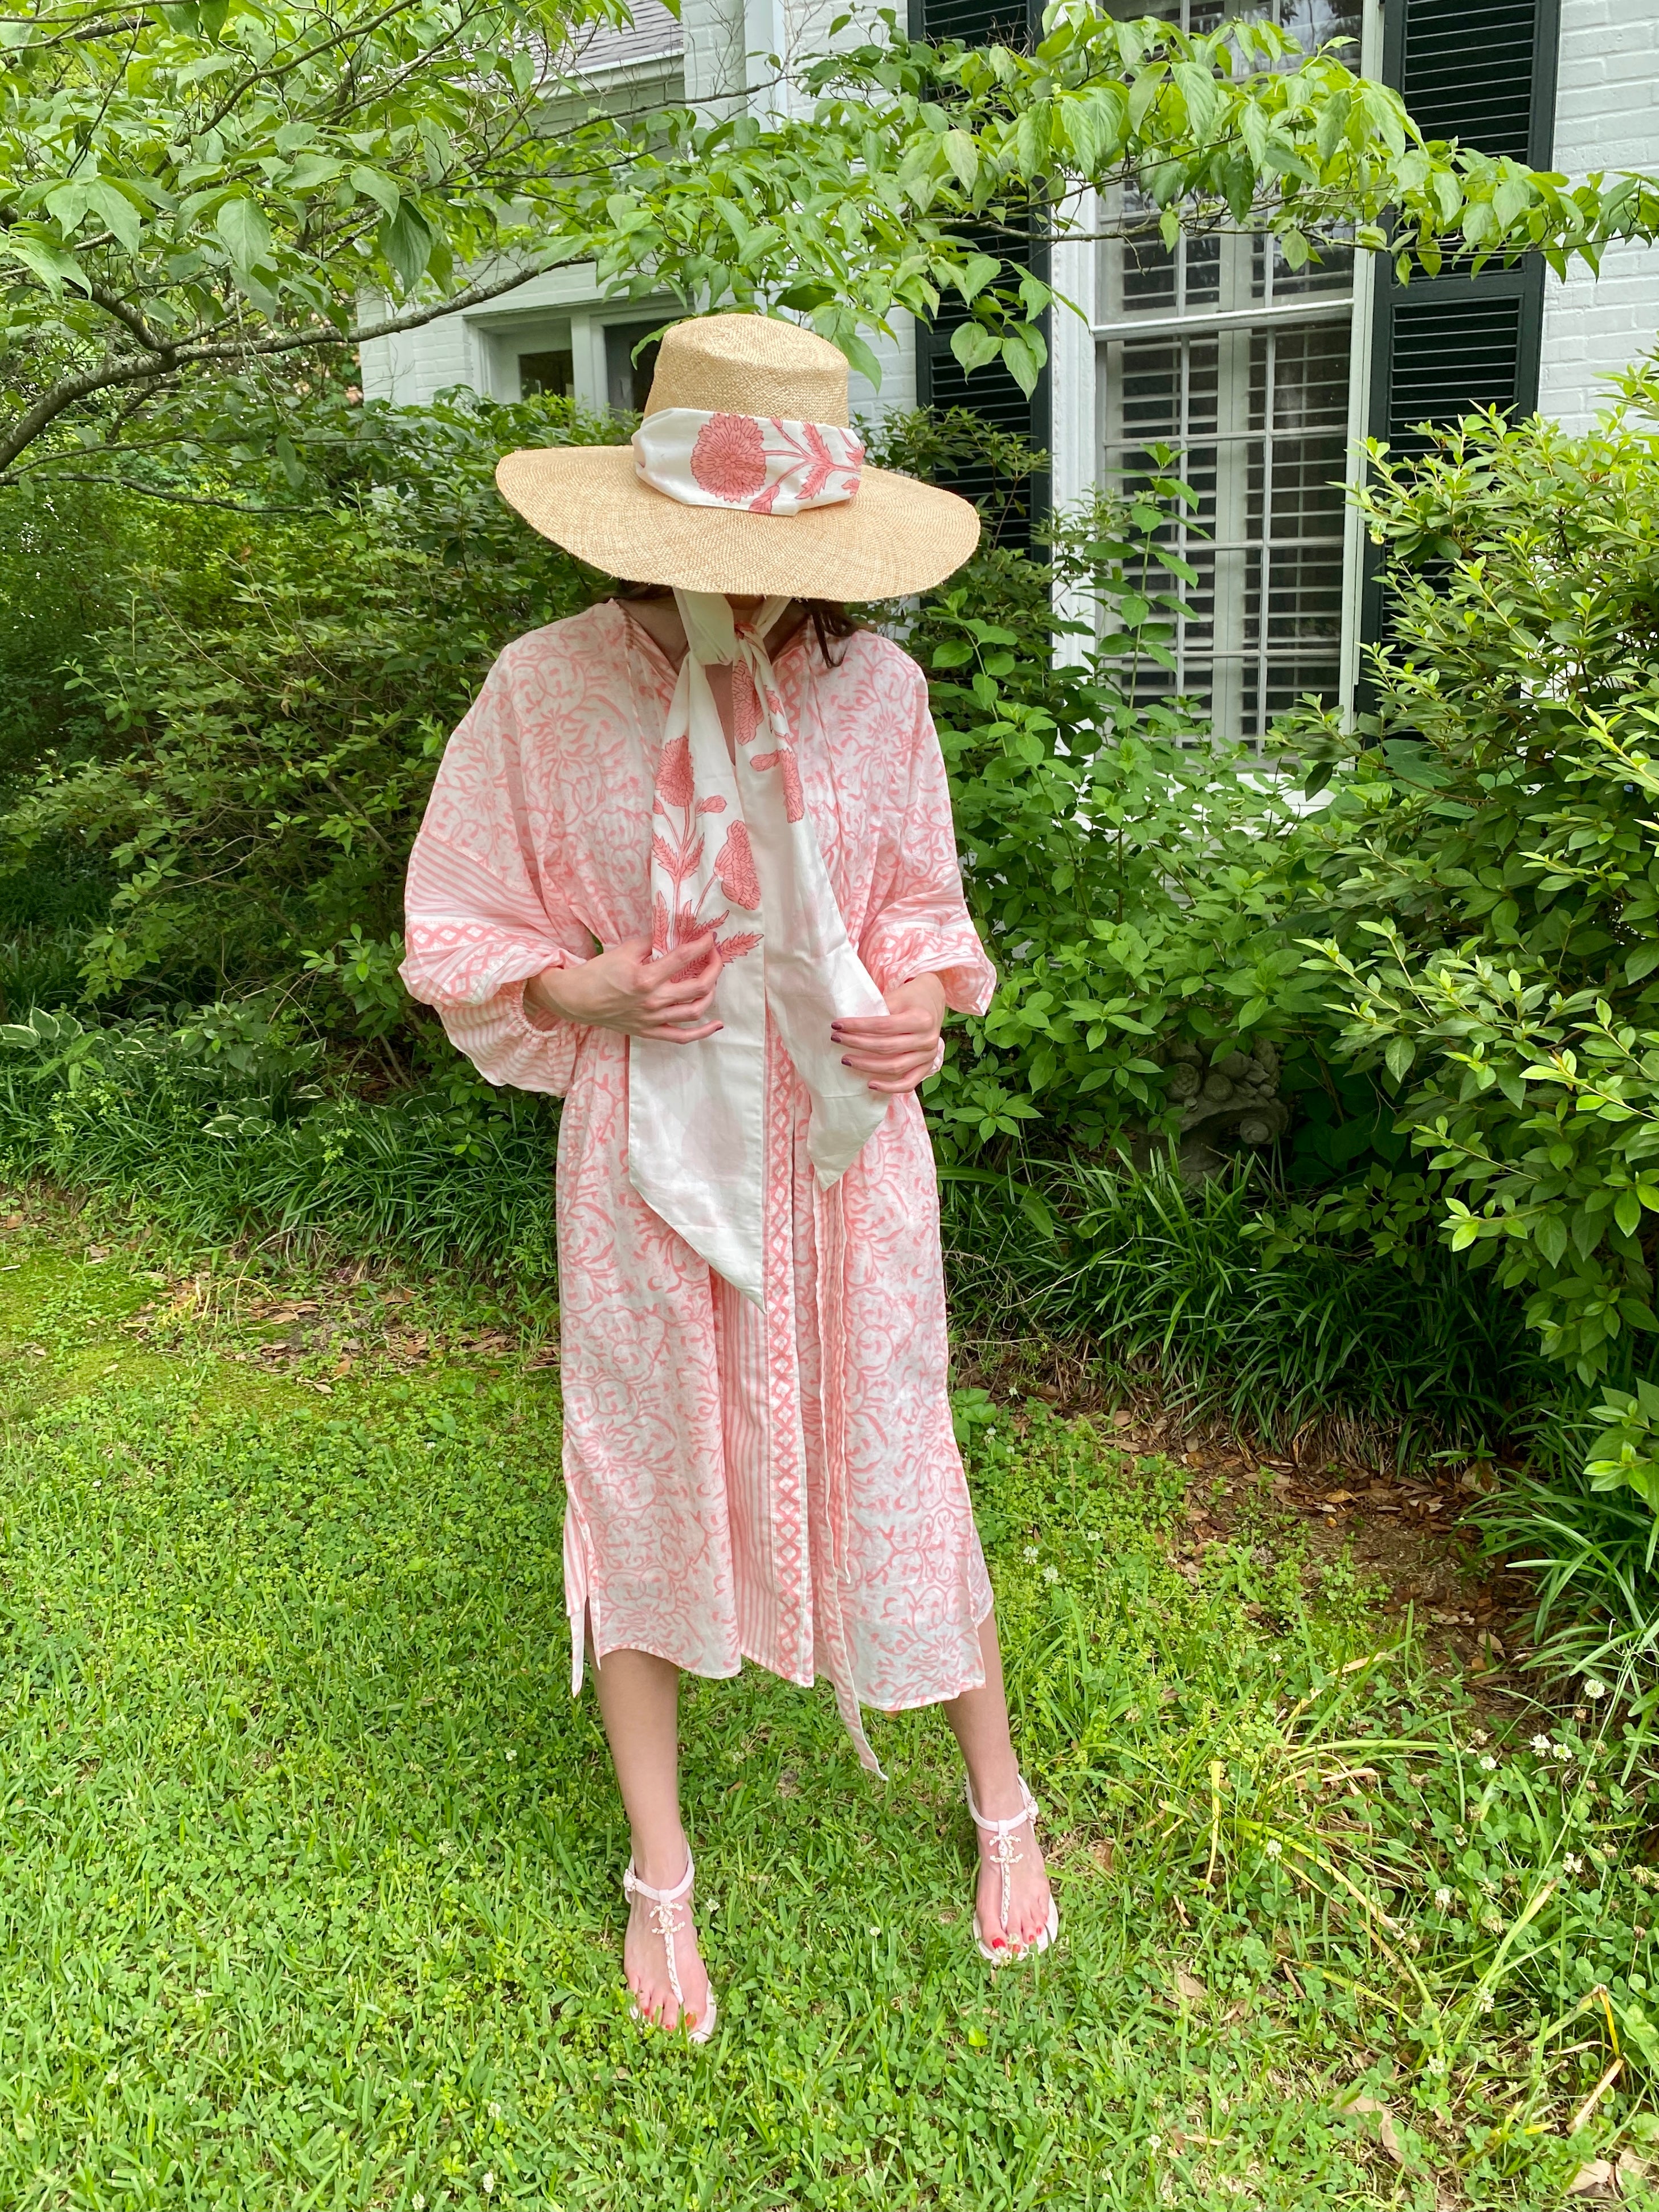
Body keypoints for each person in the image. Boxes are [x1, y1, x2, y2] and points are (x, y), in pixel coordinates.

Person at [399, 313, 1056, 2043]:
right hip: (645, 1157)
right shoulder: (542, 690)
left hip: (844, 1153)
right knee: (640, 1466)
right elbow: (454, 922)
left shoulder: (878, 691)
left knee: (898, 1447)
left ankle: (1000, 1792)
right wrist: (585, 986)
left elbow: (921, 909)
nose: (750, 590)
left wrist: (918, 1006)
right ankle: (661, 1864)